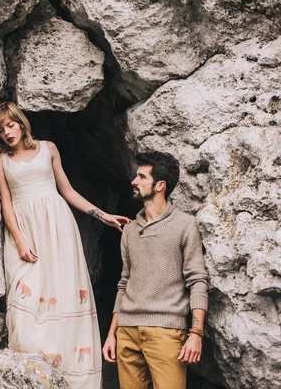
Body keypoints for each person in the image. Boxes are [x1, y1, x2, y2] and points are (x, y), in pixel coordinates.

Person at [0, 102, 130, 388]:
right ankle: (33, 369)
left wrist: (102, 215)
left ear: (21, 123)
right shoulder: (0, 160)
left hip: (58, 227)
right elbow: (6, 203)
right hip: (25, 230)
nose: (7, 133)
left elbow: (67, 191)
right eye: (0, 129)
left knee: (61, 292)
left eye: (10, 125)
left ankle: (67, 374)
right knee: (24, 297)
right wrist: (19, 239)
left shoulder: (48, 149)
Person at [102, 151, 210, 389]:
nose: (134, 181)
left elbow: (198, 280)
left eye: (141, 176)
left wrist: (196, 333)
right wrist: (112, 334)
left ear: (160, 185)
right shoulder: (129, 230)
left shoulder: (184, 224)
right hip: (127, 332)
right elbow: (124, 283)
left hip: (167, 332)